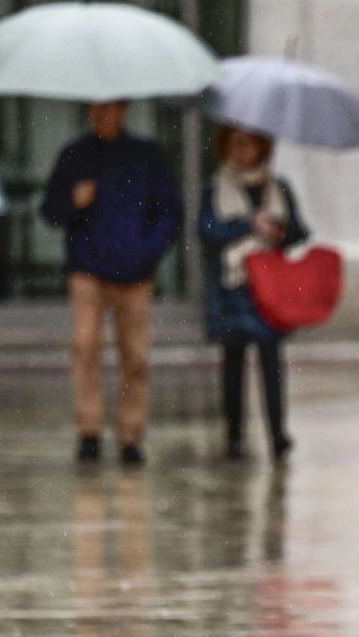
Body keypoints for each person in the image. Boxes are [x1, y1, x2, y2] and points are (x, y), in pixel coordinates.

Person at [41, 101, 182, 465]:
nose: (103, 114)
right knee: (86, 346)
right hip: (88, 268)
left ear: (123, 109)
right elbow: (50, 210)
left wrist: (148, 251)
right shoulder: (74, 156)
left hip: (135, 272)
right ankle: (88, 430)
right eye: (96, 109)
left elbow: (169, 211)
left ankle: (131, 434)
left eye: (110, 108)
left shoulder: (146, 155)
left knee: (135, 354)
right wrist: (73, 201)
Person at [199, 125, 307, 460]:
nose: (241, 151)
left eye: (248, 144)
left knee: (272, 362)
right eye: (235, 144)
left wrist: (277, 230)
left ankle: (278, 433)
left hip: (269, 286)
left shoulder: (277, 187)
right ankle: (234, 435)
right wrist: (247, 225)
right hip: (233, 286)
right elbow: (207, 231)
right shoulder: (215, 187)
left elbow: (300, 231)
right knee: (232, 364)